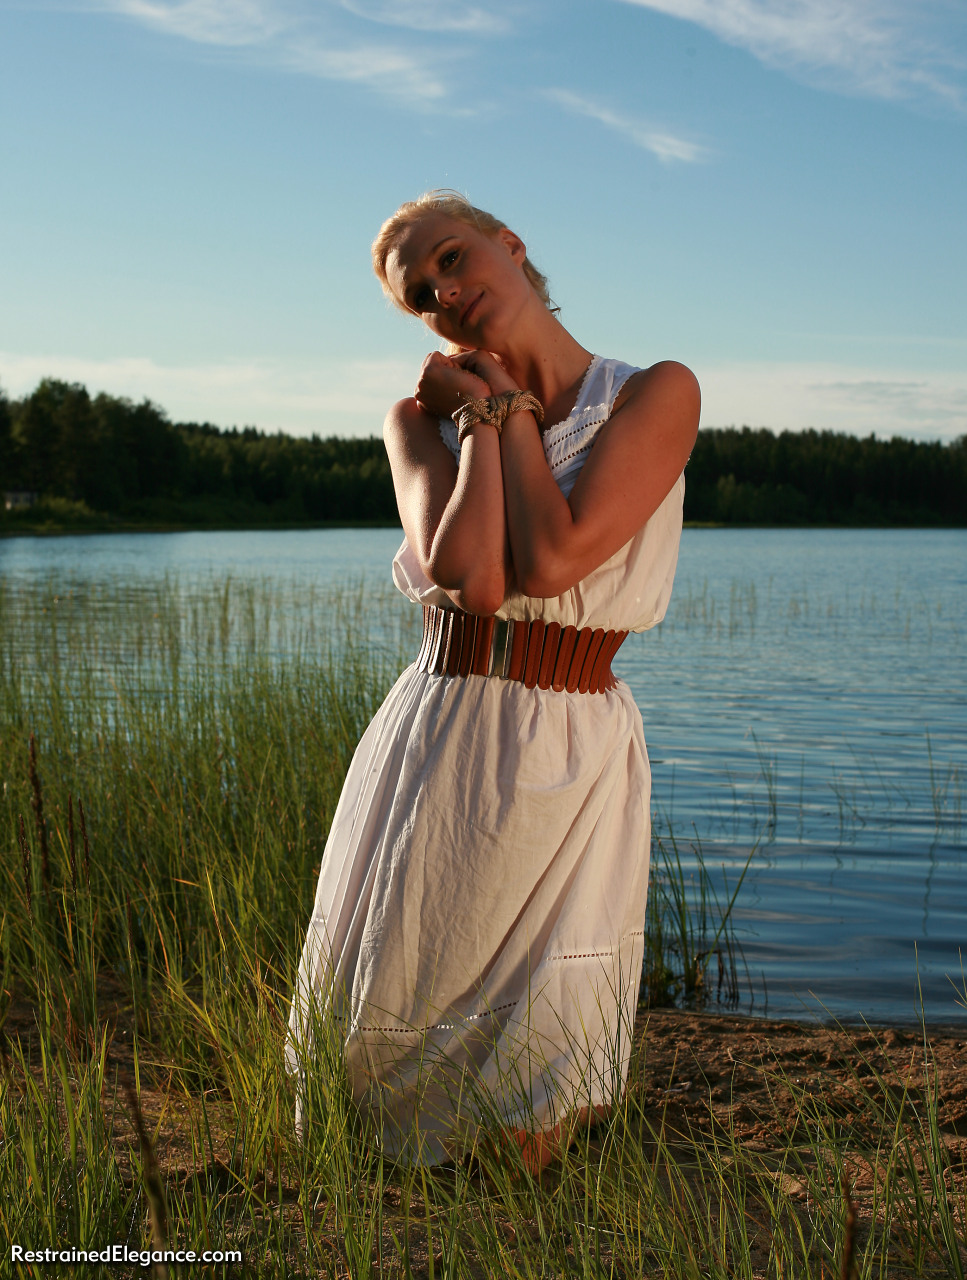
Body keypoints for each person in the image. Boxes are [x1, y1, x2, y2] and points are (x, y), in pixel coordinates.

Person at [286, 190, 699, 1170]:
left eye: (451, 257)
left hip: (574, 734)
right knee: (408, 986)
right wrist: (479, 418)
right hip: (446, 723)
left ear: (511, 244)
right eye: (421, 296)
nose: (445, 291)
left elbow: (552, 563)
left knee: (535, 1064)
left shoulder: (653, 393)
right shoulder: (416, 421)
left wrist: (507, 409)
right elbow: (473, 580)